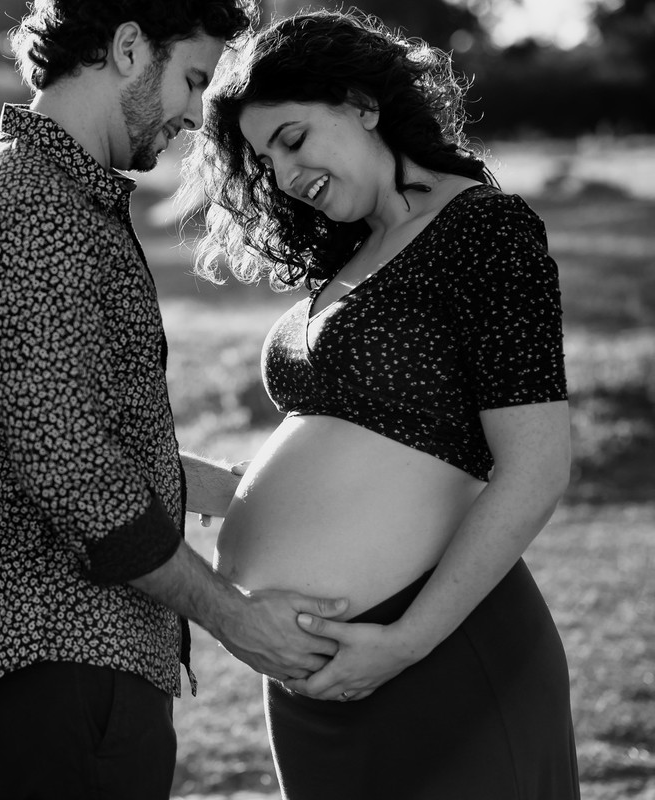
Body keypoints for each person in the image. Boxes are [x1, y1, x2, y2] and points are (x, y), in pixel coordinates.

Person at [0, 2, 355, 797]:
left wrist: (259, 493)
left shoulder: (59, 194)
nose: (195, 115)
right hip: (63, 658)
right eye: (192, 80)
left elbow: (86, 441)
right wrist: (236, 617)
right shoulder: (28, 207)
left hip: (88, 662)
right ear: (128, 49)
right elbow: (75, 472)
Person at [181, 9, 580, 798]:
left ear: (363, 104)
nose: (287, 176)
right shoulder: (343, 261)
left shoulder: (484, 231)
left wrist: (405, 642)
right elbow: (376, 446)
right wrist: (235, 490)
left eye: (293, 139)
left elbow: (537, 465)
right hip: (316, 692)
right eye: (267, 160)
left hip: (442, 656)